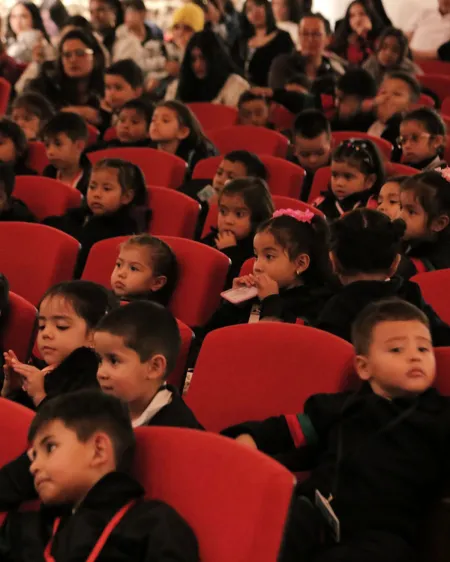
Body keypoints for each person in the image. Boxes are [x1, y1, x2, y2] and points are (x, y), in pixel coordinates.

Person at [229, 298, 450, 562]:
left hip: (382, 533)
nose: (415, 356)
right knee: (266, 530)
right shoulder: (341, 407)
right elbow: (288, 430)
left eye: (424, 349)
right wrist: (249, 439)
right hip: (316, 513)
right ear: (364, 367)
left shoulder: (440, 417)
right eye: (396, 350)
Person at [0, 390, 200, 561]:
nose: (33, 466)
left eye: (50, 447)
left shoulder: (153, 526)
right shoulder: (39, 528)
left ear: (99, 450)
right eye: (33, 456)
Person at [315, 208, 450, 346]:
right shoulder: (411, 294)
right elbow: (443, 338)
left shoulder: (334, 310)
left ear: (334, 263)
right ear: (395, 264)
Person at [2, 280, 116, 409]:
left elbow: (70, 424)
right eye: (42, 326)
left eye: (61, 327)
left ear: (95, 334)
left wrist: (39, 396)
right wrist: (13, 390)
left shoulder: (92, 374)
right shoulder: (44, 367)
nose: (46, 334)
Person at [95, 301, 202, 428]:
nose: (100, 373)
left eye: (114, 361)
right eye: (100, 360)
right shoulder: (96, 412)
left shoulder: (180, 430)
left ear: (154, 367)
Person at [44, 158, 150, 278]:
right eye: (92, 187)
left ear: (126, 197)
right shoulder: (78, 217)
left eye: (106, 189)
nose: (96, 194)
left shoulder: (123, 230)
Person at [201, 177, 274, 286]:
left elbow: (238, 284)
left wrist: (230, 251)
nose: (228, 221)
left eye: (239, 214)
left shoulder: (258, 250)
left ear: (257, 219)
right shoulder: (213, 238)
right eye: (223, 211)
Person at [26, 28, 106, 126]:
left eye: (80, 53)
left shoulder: (107, 87)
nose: (73, 60)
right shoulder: (45, 84)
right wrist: (70, 112)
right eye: (67, 55)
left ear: (96, 58)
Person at [165, 30, 249, 106]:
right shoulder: (176, 88)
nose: (198, 65)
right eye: (193, 59)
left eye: (203, 58)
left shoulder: (235, 86)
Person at [268, 12, 346, 93]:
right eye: (305, 34)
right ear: (298, 36)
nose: (310, 39)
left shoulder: (332, 74)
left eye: (316, 34)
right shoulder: (282, 65)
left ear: (328, 39)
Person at [144, 3, 205, 99]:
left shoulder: (201, 56)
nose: (180, 32)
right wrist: (163, 64)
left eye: (187, 28)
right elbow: (139, 65)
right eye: (176, 27)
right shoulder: (157, 47)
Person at [313, 139, 385, 220]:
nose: (339, 183)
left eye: (348, 177)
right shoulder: (320, 203)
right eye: (335, 175)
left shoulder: (374, 209)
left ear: (370, 181)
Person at [397, 169, 450, 278]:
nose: (400, 216)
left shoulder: (436, 264)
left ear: (439, 223)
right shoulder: (410, 240)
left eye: (411, 212)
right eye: (401, 207)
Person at [231, 0, 294, 87]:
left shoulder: (283, 38)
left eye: (258, 5)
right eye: (249, 10)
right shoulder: (240, 41)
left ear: (267, 7)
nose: (255, 11)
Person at [149, 100, 217, 174]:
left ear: (183, 132)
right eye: (153, 120)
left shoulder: (197, 157)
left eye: (165, 120)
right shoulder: (148, 150)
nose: (156, 123)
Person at [366, 71, 421, 161]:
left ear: (411, 105)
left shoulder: (404, 134)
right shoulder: (365, 121)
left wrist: (394, 120)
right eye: (383, 92)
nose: (386, 97)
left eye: (396, 94)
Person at [111, 234, 178, 306]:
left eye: (133, 268)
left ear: (157, 282)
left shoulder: (148, 314)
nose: (121, 273)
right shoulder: (106, 298)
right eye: (119, 264)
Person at [182, 149, 267, 205]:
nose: (219, 180)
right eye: (219, 173)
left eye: (231, 177)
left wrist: (215, 209)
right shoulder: (196, 188)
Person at [41, 112, 91, 194]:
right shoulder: (47, 175)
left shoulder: (91, 181)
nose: (50, 152)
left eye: (58, 144)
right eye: (47, 145)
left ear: (79, 146)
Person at [291, 109, 332, 202]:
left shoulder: (340, 172)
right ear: (294, 149)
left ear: (331, 145)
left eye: (320, 153)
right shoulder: (289, 175)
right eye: (305, 154)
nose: (313, 160)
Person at [329, 0, 385, 65]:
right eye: (352, 16)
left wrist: (366, 35)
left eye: (362, 14)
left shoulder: (382, 38)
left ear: (370, 16)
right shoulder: (343, 41)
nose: (357, 19)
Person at [89, 0, 144, 64]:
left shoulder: (129, 43)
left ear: (114, 11)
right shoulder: (92, 40)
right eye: (91, 12)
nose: (95, 16)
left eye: (100, 10)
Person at [101, 58, 144, 130]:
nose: (111, 93)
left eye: (118, 88)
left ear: (137, 92)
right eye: (108, 87)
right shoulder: (102, 114)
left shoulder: (143, 118)